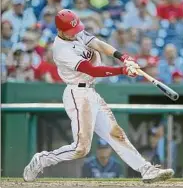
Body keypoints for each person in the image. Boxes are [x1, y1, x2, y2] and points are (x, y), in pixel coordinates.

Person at [23, 9, 174, 183]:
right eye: (71, 32)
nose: (75, 33)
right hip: (77, 94)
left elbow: (99, 44)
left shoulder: (77, 32)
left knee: (116, 134)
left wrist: (123, 57)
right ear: (60, 31)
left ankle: (146, 169)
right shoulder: (61, 49)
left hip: (90, 91)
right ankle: (41, 160)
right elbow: (92, 70)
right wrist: (122, 70)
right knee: (81, 149)